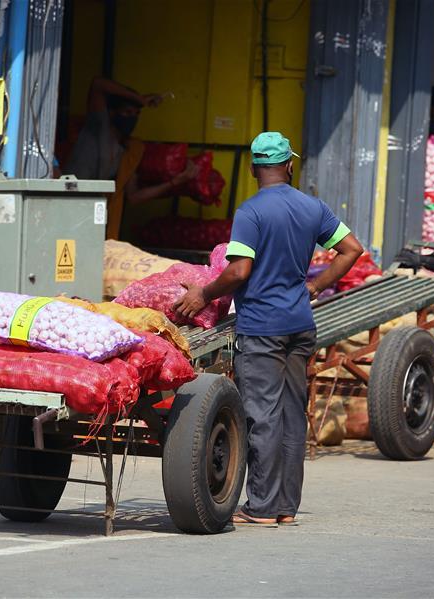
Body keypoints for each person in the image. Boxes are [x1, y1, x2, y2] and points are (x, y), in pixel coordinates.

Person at [174, 132, 363, 526]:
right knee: (292, 415)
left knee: (261, 415)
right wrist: (314, 286)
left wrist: (202, 295)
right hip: (299, 325)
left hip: (261, 328)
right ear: (289, 166)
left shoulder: (251, 211)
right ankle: (285, 508)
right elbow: (352, 250)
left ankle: (259, 506)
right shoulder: (313, 207)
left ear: (254, 168)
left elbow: (239, 271)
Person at [63, 77, 198, 239]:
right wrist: (140, 99)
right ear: (112, 113)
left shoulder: (127, 150)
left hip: (90, 218)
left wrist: (176, 182)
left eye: (136, 114)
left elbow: (134, 196)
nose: (132, 118)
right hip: (67, 203)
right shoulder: (98, 126)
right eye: (127, 112)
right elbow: (98, 84)